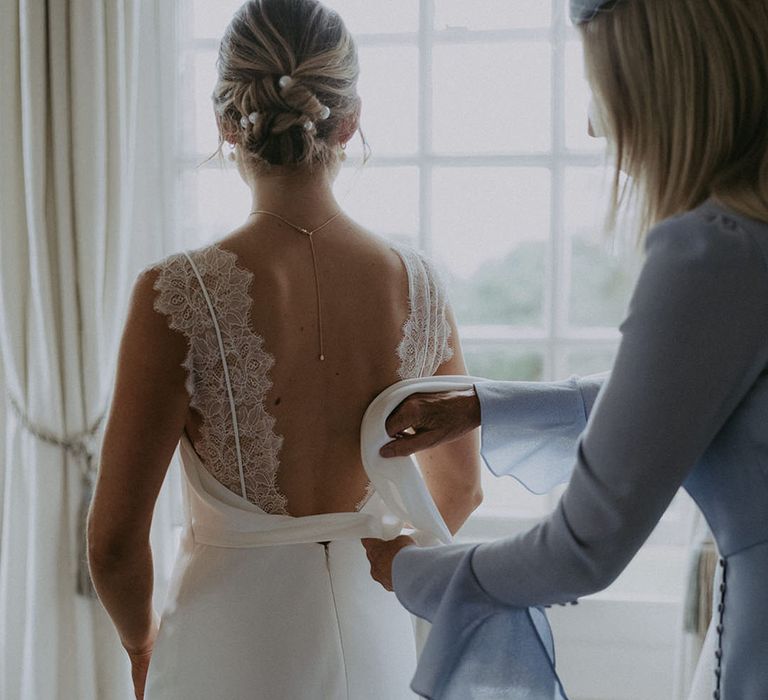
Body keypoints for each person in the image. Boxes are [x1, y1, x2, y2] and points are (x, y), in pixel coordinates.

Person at [364, 0, 768, 698]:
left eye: (603, 85)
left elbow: (582, 548)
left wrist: (414, 573)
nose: (590, 122)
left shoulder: (713, 252)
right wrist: (487, 406)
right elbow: (691, 390)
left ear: (666, 86)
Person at [85, 1, 482, 699]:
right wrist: (390, 572)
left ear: (225, 123)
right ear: (349, 121)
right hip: (372, 629)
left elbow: (116, 544)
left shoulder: (176, 293)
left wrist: (141, 643)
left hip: (227, 637)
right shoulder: (419, 285)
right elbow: (462, 485)